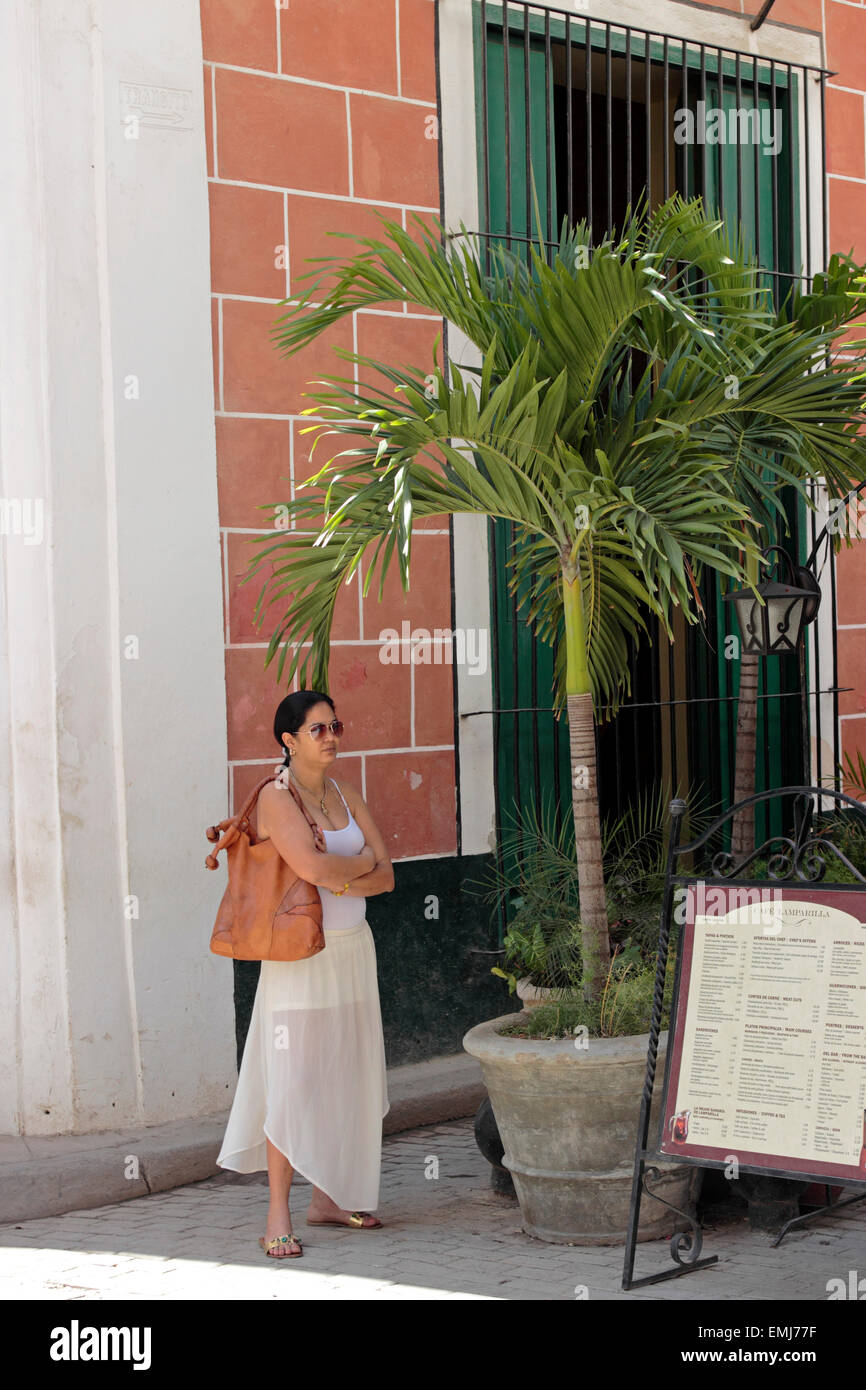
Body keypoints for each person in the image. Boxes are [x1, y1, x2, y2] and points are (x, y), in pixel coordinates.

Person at [215, 690, 394, 1259]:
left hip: (352, 952)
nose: (332, 736)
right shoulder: (275, 797)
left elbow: (388, 875)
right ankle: (277, 1214)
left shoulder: (346, 793)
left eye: (334, 725)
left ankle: (329, 1199)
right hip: (299, 960)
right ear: (288, 741)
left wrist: (348, 874)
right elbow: (312, 867)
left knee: (344, 1072)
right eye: (317, 729)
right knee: (291, 1081)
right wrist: (354, 867)